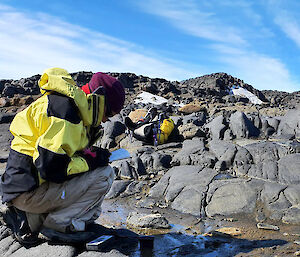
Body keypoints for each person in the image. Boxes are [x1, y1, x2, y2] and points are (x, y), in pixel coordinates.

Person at [0, 67, 125, 246]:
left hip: (22, 188)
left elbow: (56, 156)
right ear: (100, 99)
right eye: (109, 113)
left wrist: (89, 155)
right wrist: (90, 161)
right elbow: (51, 168)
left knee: (91, 169)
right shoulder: (65, 112)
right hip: (29, 192)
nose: (106, 120)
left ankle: (28, 218)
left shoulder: (63, 104)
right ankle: (60, 226)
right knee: (104, 175)